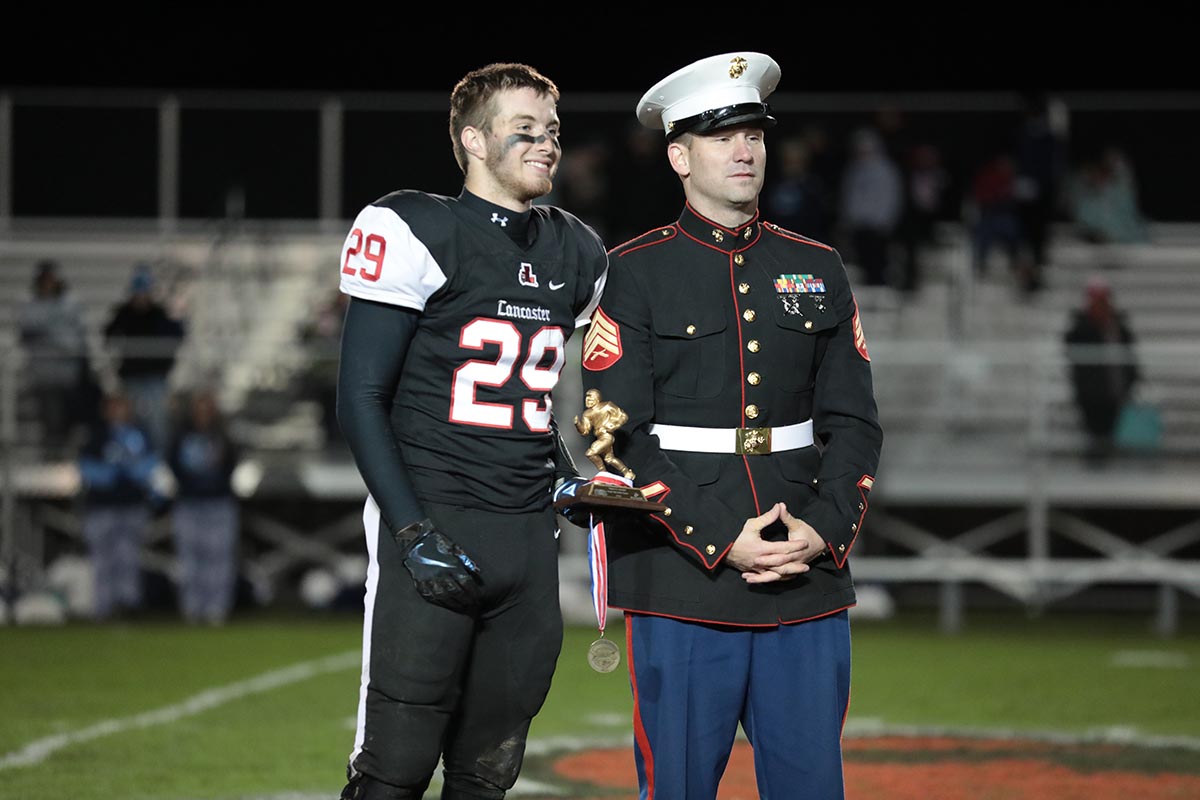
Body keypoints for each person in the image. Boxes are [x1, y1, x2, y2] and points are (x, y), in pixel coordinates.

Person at [578, 52, 883, 799]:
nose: (744, 149)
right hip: (682, 578)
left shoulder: (818, 265)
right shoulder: (631, 271)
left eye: (753, 133)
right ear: (680, 155)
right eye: (720, 137)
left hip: (804, 575)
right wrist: (722, 536)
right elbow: (611, 434)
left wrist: (826, 527)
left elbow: (854, 420)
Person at [333, 62, 608, 799]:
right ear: (474, 142)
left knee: (488, 773)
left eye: (552, 130)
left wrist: (565, 471)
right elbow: (360, 395)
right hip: (436, 517)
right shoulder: (416, 227)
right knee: (393, 769)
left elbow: (532, 402)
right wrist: (410, 529)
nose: (547, 144)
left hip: (525, 535)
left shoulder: (576, 250)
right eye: (525, 130)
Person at [77, 391, 171, 621]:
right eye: (114, 407)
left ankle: (128, 605)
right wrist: (112, 474)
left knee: (129, 557)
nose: (119, 411)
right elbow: (87, 468)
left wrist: (132, 472)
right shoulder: (96, 436)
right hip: (102, 507)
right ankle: (102, 607)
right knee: (102, 559)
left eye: (122, 406)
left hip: (131, 505)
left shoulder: (139, 434)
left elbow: (151, 465)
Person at [167, 388, 241, 625]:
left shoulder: (223, 436)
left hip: (218, 503)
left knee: (218, 558)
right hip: (189, 502)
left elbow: (231, 465)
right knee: (190, 558)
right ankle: (191, 607)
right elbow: (173, 465)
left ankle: (216, 609)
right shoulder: (181, 436)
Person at [103, 264, 186, 453]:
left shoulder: (159, 313)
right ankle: (132, 456)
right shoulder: (124, 313)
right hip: (131, 377)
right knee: (129, 419)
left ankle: (158, 457)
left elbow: (177, 335)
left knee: (157, 420)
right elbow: (108, 336)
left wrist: (178, 316)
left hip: (155, 377)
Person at [17, 259, 93, 456]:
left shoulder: (70, 304)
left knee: (71, 420)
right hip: (44, 374)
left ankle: (66, 456)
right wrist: (54, 336)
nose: (48, 284)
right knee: (50, 418)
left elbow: (75, 339)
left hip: (69, 374)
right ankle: (52, 456)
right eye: (45, 280)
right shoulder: (30, 304)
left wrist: (49, 336)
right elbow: (27, 334)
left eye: (52, 279)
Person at [1063, 277, 1140, 463]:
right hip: (1091, 391)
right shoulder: (1082, 326)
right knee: (1094, 428)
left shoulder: (1117, 325)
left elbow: (1129, 353)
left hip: (1115, 387)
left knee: (1110, 427)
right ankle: (1096, 459)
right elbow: (1071, 346)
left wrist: (1132, 379)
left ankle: (1106, 456)